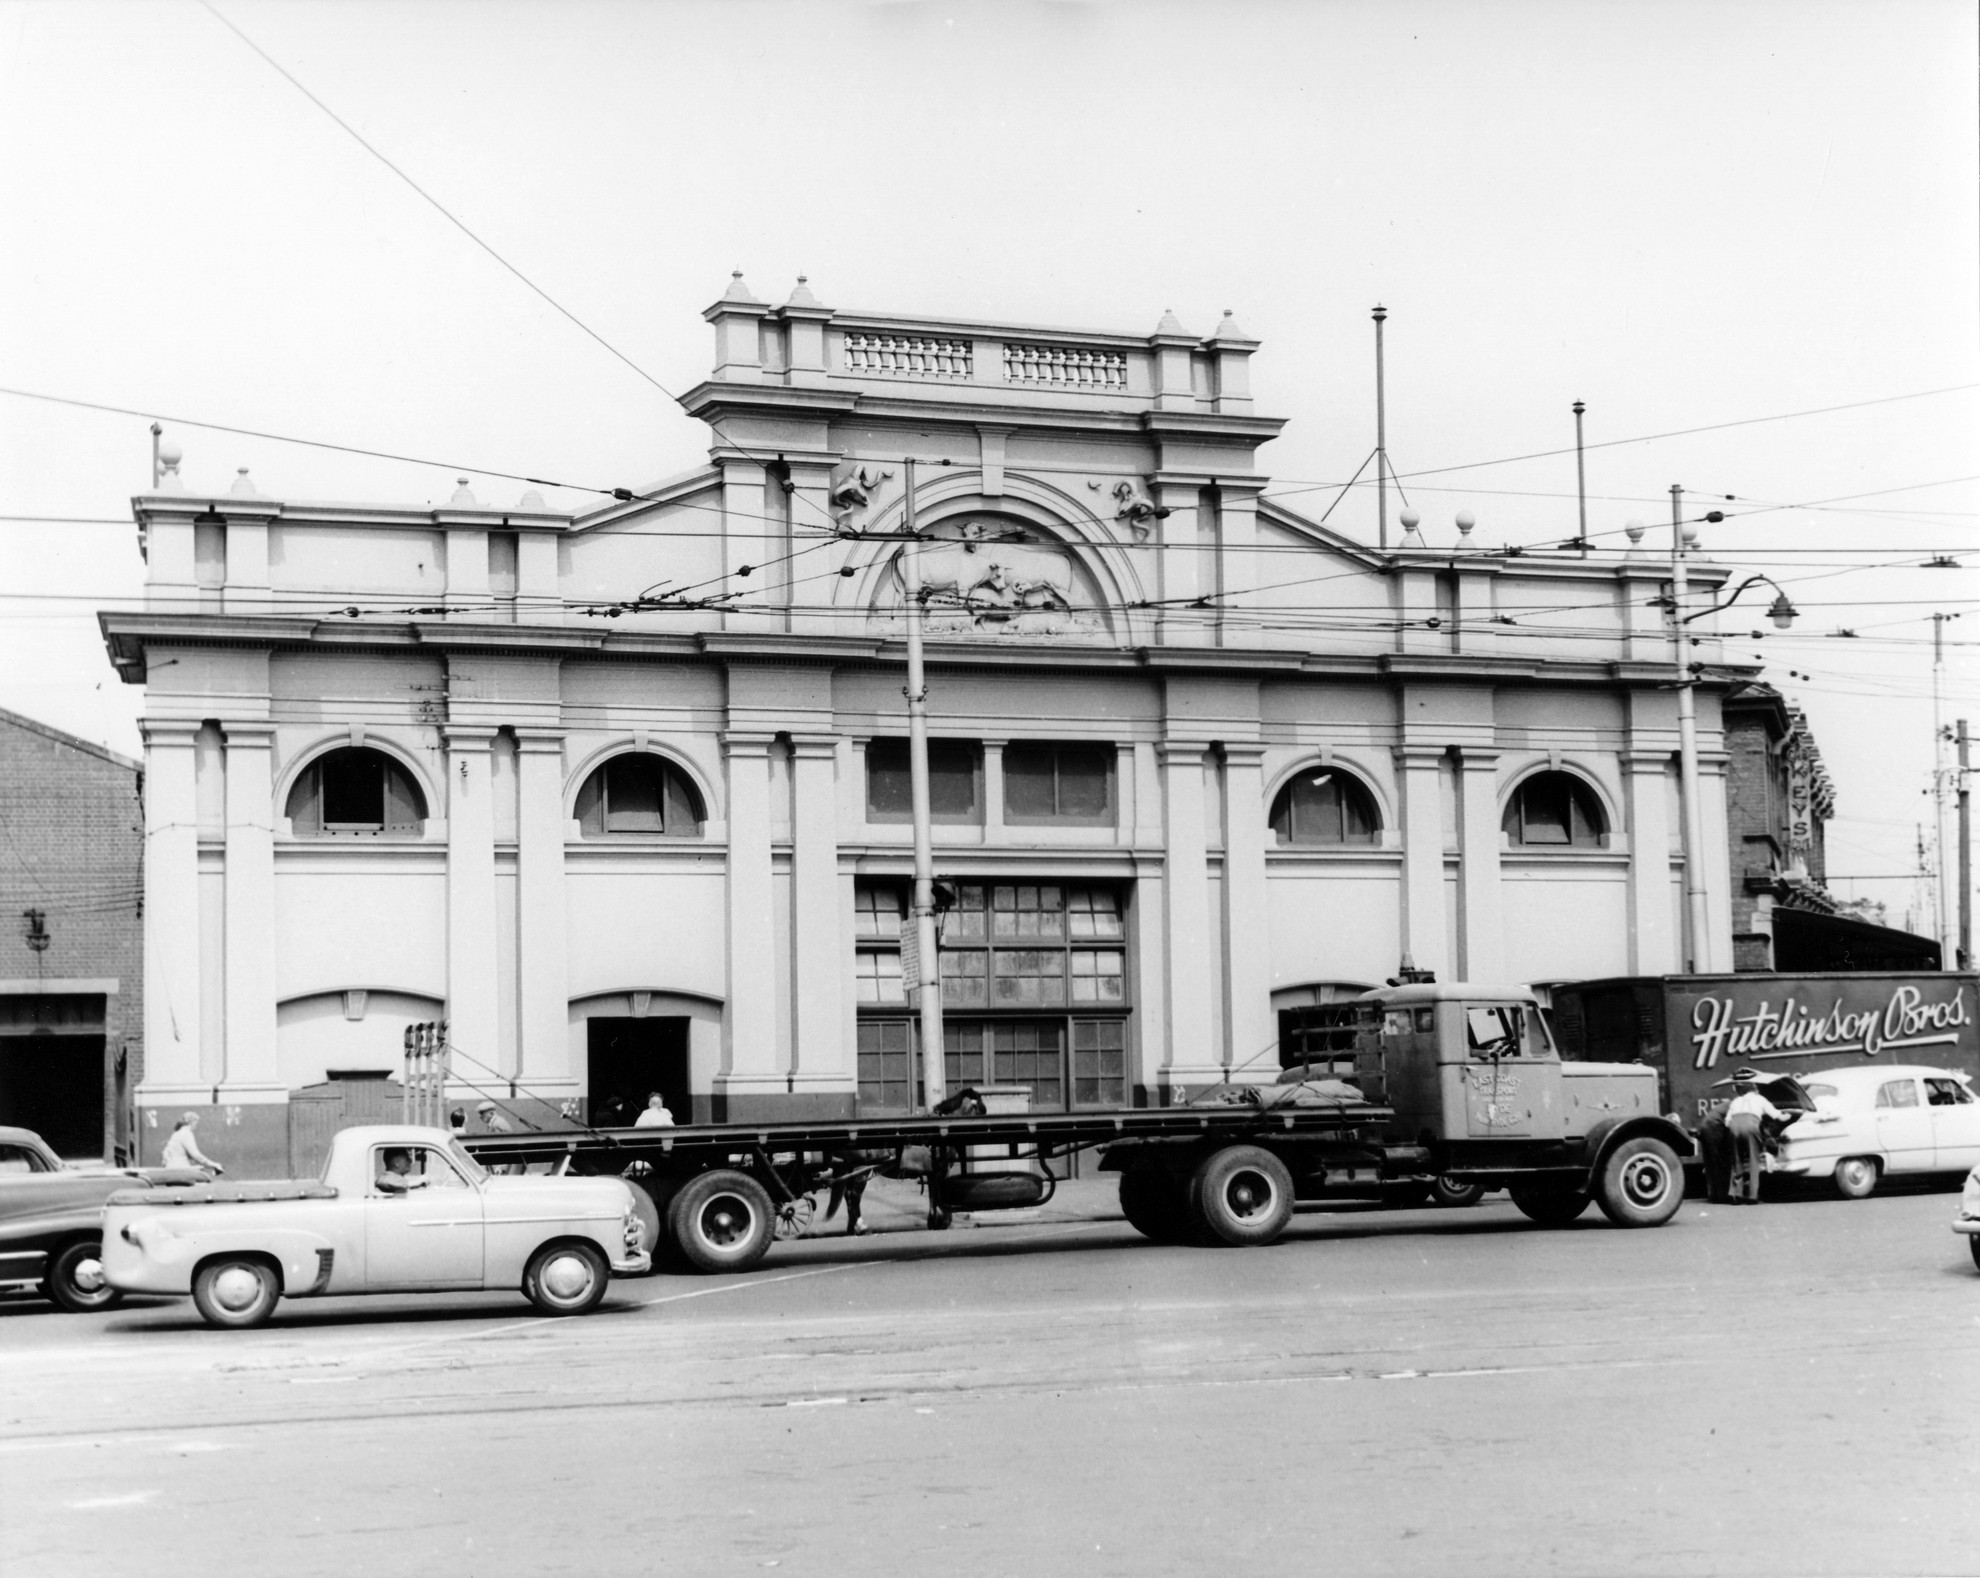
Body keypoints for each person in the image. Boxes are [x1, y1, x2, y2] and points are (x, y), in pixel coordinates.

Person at [1725, 1069, 1785, 1204]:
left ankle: (1736, 1195)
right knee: (1753, 1160)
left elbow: (1727, 1122)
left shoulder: (1736, 1101)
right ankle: (1752, 1196)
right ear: (1754, 1088)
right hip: (1751, 1126)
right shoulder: (1760, 1099)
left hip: (1734, 1126)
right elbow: (1778, 1116)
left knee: (1737, 1161)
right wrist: (1789, 1114)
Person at [161, 1112, 224, 1176]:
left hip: (169, 1168)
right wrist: (214, 1164)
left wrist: (211, 1165)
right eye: (196, 1122)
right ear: (192, 1122)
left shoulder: (177, 1133)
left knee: (200, 1169)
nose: (197, 1125)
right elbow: (196, 1155)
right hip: (179, 1170)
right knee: (203, 1176)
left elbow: (193, 1158)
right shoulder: (186, 1133)